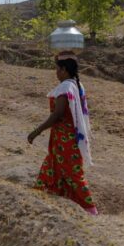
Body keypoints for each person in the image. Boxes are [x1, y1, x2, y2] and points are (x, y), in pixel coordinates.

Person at [28, 54, 97, 215]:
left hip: (65, 141)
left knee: (73, 174)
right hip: (66, 139)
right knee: (52, 168)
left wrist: (36, 131)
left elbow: (57, 114)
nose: (56, 72)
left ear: (64, 70)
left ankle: (91, 211)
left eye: (58, 69)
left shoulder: (66, 88)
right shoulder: (76, 85)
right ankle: (43, 203)